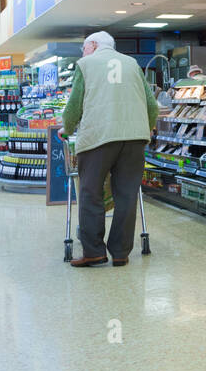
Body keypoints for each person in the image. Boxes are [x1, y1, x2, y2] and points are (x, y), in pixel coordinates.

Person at [62, 31, 158, 267]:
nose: (82, 52)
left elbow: (74, 105)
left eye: (84, 47)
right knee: (126, 195)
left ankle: (94, 251)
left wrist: (66, 128)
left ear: (93, 45)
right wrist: (149, 127)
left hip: (99, 137)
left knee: (90, 193)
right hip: (135, 137)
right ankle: (121, 252)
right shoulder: (132, 63)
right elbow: (152, 105)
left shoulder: (85, 64)